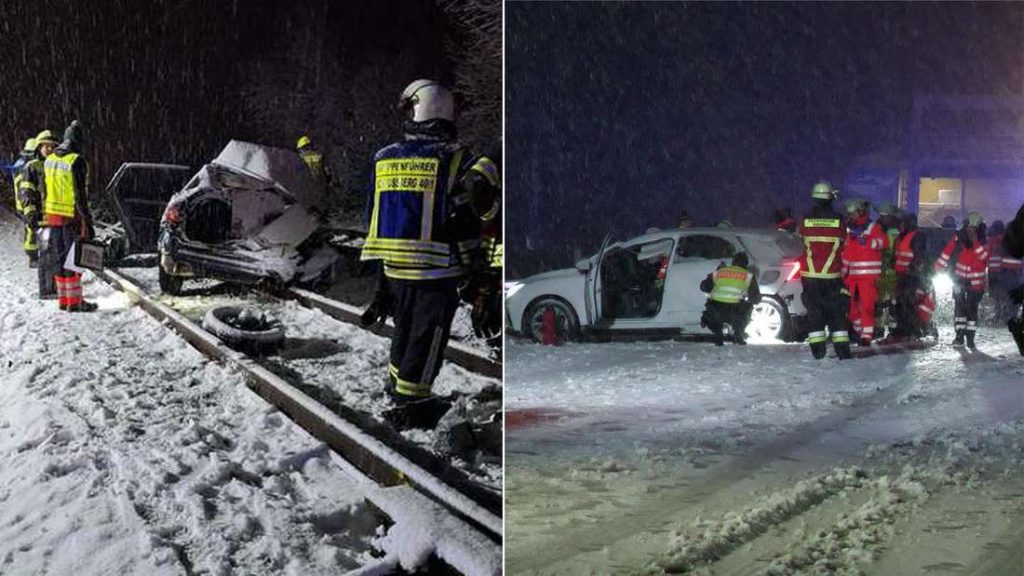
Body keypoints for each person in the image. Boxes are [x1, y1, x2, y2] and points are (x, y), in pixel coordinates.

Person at [359, 79, 498, 428]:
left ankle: (397, 386)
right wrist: (480, 278)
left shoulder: (383, 157)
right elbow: (468, 222)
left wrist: (379, 286)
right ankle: (413, 404)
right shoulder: (455, 160)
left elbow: (371, 217)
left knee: (404, 332)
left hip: (392, 269)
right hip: (436, 273)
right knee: (428, 337)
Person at [41, 120, 96, 312]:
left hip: (52, 217)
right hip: (71, 218)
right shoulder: (76, 160)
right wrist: (88, 222)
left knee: (58, 258)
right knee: (74, 260)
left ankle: (64, 301)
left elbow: (44, 190)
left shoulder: (49, 160)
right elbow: (80, 195)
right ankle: (75, 302)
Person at [798, 181, 851, 359]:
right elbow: (845, 243)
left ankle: (818, 351)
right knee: (836, 313)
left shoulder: (805, 220)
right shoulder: (838, 221)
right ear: (830, 198)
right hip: (832, 276)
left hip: (810, 277)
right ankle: (842, 352)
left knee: (814, 314)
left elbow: (800, 240)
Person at [934, 212, 989, 348]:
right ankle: (959, 336)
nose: (971, 229)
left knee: (971, 311)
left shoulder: (982, 240)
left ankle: (970, 339)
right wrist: (938, 267)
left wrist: (974, 240)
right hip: (959, 280)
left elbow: (983, 256)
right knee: (959, 310)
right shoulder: (958, 237)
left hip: (975, 285)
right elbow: (947, 251)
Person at [842, 198, 888, 345]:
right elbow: (847, 253)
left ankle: (866, 337)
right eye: (850, 214)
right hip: (852, 276)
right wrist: (843, 272)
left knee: (867, 307)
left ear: (861, 211)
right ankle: (859, 331)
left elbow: (883, 242)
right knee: (850, 308)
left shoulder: (873, 227)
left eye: (853, 213)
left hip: (869, 276)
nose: (851, 216)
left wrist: (868, 242)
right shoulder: (850, 230)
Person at [699, 251, 760, 345]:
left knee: (711, 309)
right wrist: (748, 297)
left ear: (733, 262)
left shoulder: (720, 272)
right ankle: (738, 334)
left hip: (716, 310)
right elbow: (756, 299)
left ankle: (717, 333)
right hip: (735, 312)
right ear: (746, 264)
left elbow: (703, 287)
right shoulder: (748, 276)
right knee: (748, 307)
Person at [889, 211, 930, 340]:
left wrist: (913, 269)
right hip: (901, 276)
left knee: (910, 303)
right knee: (898, 303)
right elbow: (898, 255)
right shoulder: (901, 237)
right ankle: (902, 329)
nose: (899, 225)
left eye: (902, 223)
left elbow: (919, 257)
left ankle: (913, 330)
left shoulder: (917, 236)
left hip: (912, 277)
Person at [874, 200, 902, 336]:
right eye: (880, 215)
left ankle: (893, 329)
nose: (881, 218)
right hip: (879, 270)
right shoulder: (877, 228)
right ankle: (878, 328)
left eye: (884, 215)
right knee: (877, 302)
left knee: (893, 302)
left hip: (893, 271)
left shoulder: (896, 231)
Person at [12, 138, 39, 267]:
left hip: (22, 202)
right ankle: (32, 257)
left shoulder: (20, 164)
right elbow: (24, 187)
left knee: (30, 228)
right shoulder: (26, 166)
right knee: (30, 229)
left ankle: (34, 254)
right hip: (25, 203)